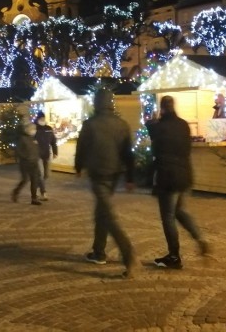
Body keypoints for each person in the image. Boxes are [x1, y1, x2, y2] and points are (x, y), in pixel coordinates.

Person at [74, 88, 140, 279]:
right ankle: (98, 251)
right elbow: (128, 153)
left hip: (98, 173)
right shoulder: (122, 124)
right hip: (115, 174)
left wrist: (78, 167)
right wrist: (129, 178)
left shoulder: (90, 124)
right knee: (102, 212)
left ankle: (129, 256)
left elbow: (82, 147)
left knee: (108, 216)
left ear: (96, 103)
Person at [146, 95, 210, 270]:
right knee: (180, 211)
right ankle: (199, 238)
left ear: (162, 108)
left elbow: (154, 144)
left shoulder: (159, 127)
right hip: (184, 174)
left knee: (168, 217)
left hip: (168, 176)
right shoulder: (183, 125)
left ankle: (174, 256)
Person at [12, 122, 42, 205]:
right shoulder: (22, 139)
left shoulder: (33, 139)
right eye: (33, 129)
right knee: (25, 179)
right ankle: (16, 192)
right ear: (28, 130)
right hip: (25, 163)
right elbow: (18, 151)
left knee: (34, 180)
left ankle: (34, 199)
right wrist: (26, 157)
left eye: (35, 129)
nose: (34, 131)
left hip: (34, 162)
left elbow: (36, 149)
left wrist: (37, 156)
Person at [34, 111, 58, 201]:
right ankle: (43, 192)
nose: (42, 120)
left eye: (43, 118)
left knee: (46, 175)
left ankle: (35, 188)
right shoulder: (34, 128)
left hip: (46, 154)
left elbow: (53, 141)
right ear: (38, 119)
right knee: (41, 173)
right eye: (41, 118)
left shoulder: (49, 128)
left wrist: (55, 151)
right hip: (37, 155)